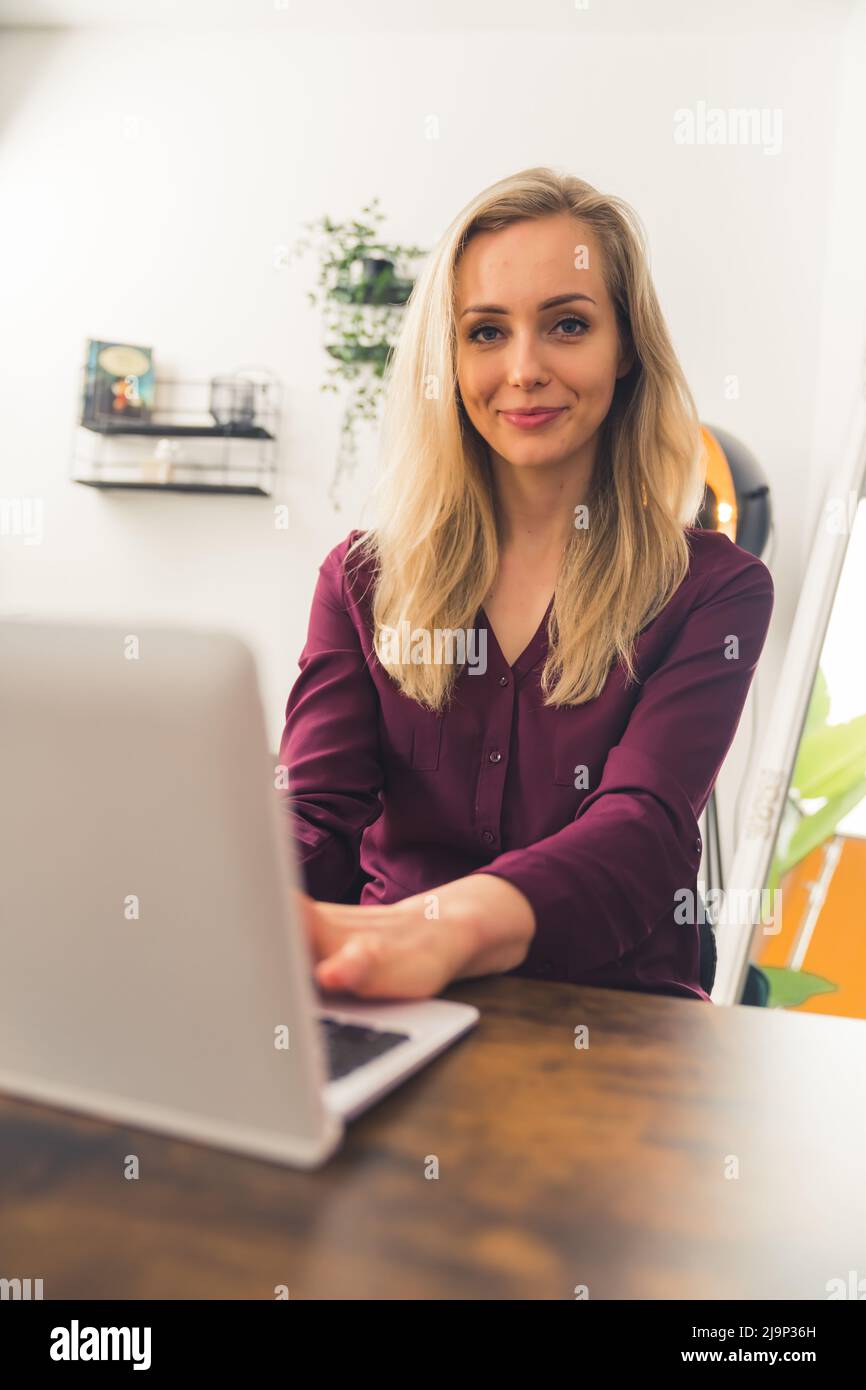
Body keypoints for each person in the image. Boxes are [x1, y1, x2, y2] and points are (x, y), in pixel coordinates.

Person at [278, 166, 774, 1003]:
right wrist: (236, 905)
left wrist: (441, 930)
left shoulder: (713, 590)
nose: (524, 369)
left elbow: (643, 829)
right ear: (448, 359)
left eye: (568, 325)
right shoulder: (360, 580)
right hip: (390, 1003)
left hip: (614, 1030)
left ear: (626, 354)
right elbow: (316, 816)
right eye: (484, 333)